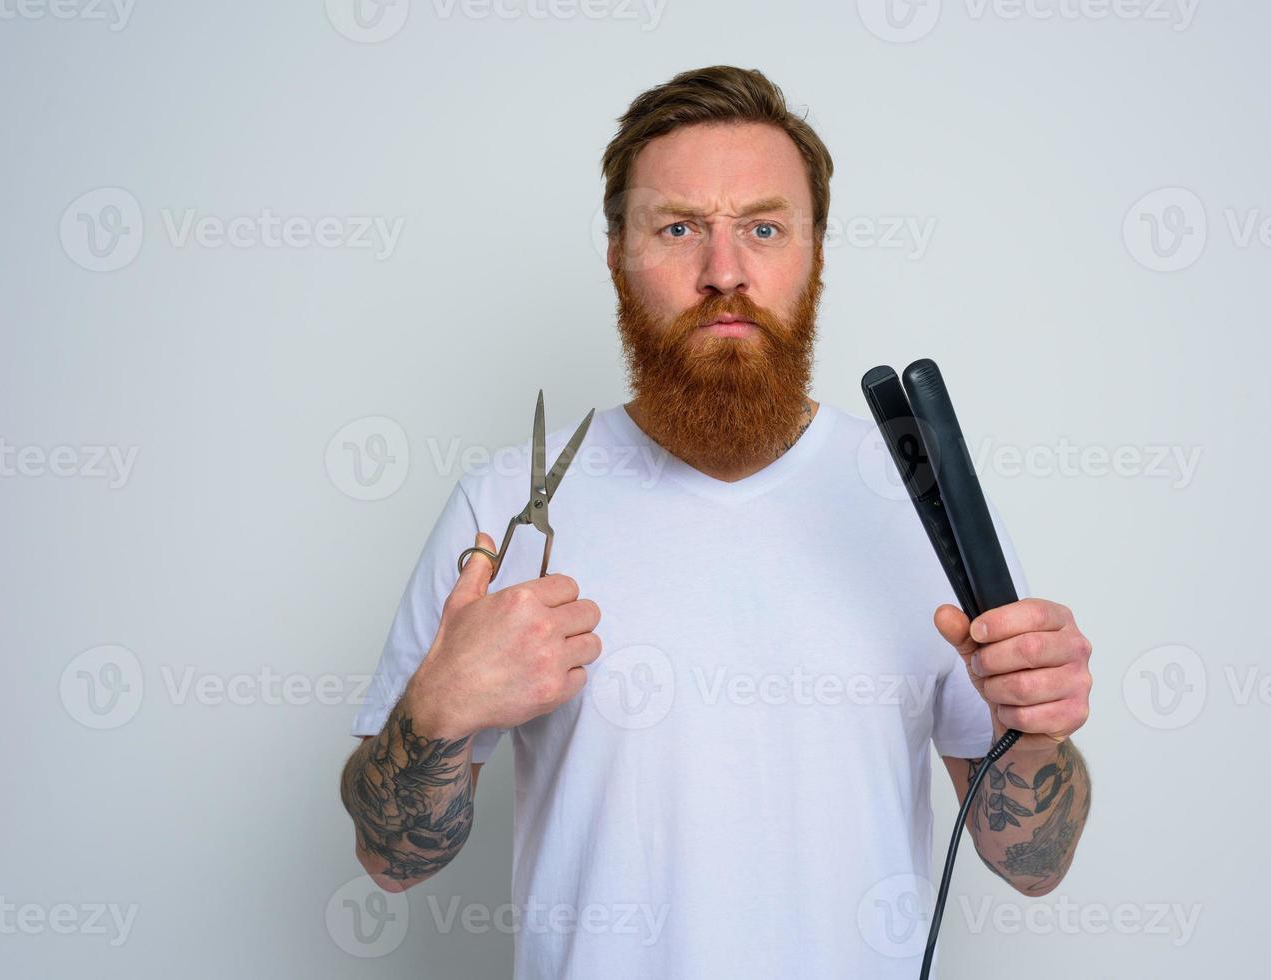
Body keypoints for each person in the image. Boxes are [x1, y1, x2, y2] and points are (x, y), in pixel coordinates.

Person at [339, 65, 1094, 978]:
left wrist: (1040, 728)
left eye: (763, 228)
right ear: (617, 251)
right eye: (677, 228)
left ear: (814, 253)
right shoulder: (505, 507)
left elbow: (1032, 865)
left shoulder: (926, 505)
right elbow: (389, 860)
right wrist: (434, 714)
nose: (723, 272)